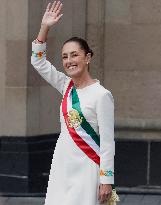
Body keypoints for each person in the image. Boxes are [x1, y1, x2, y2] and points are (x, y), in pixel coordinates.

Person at [31, 1, 119, 204]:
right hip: (62, 163)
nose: (69, 61)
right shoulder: (66, 86)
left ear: (87, 57)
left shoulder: (101, 95)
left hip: (88, 167)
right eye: (64, 57)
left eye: (74, 55)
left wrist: (106, 180)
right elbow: (38, 61)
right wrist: (45, 26)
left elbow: (107, 142)